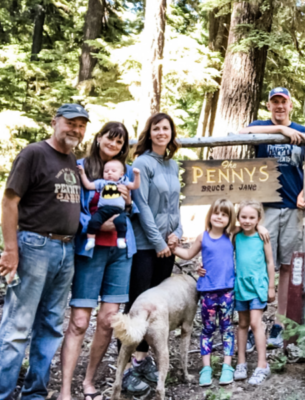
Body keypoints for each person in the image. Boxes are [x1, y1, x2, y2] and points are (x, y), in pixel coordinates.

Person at [0, 104, 88, 400]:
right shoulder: (34, 153)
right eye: (71, 123)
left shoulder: (70, 159)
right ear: (54, 122)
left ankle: (34, 394)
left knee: (51, 326)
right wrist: (10, 250)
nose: (76, 130)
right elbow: (9, 201)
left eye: (81, 126)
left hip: (66, 250)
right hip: (35, 246)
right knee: (18, 325)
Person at [59, 122, 138, 400]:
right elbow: (69, 206)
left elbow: (134, 208)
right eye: (110, 139)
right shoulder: (80, 167)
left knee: (107, 321)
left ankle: (89, 379)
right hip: (90, 250)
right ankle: (65, 388)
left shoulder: (126, 172)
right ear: (99, 138)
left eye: (119, 142)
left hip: (120, 251)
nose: (113, 145)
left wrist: (127, 204)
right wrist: (91, 225)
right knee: (80, 321)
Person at [238, 87, 305, 349]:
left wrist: (304, 192)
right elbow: (240, 133)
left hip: (294, 207)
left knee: (288, 265)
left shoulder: (302, 129)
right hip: (265, 209)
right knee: (261, 266)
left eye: (283, 102)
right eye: (274, 102)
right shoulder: (260, 126)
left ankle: (280, 323)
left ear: (290, 105)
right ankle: (256, 323)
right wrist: (280, 131)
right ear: (269, 105)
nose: (279, 106)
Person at [121, 112, 183, 393]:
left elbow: (175, 206)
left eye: (166, 128)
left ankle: (146, 358)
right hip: (147, 245)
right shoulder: (142, 163)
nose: (161, 132)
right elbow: (141, 205)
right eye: (156, 128)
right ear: (150, 133)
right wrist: (158, 241)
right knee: (140, 300)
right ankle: (132, 360)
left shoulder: (172, 164)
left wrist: (176, 236)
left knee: (158, 304)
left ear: (171, 133)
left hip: (167, 246)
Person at [172, 199, 237, 387]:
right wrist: (168, 245)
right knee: (207, 329)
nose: (219, 217)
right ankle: (206, 368)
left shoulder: (231, 235)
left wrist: (262, 229)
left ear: (229, 218)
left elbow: (251, 225)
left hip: (227, 291)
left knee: (227, 328)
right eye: (217, 212)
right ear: (210, 215)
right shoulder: (203, 237)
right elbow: (187, 254)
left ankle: (227, 366)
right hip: (208, 291)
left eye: (224, 214)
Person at [232, 200, 276, 385]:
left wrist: (271, 286)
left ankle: (262, 364)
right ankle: (241, 362)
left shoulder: (262, 236)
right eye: (243, 217)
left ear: (258, 219)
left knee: (255, 323)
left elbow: (270, 262)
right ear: (238, 218)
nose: (247, 221)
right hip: (240, 286)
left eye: (252, 217)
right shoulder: (235, 236)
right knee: (242, 323)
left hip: (258, 286)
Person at [77, 159, 140, 250]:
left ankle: (121, 239)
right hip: (103, 209)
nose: (109, 173)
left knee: (121, 222)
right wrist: (82, 174)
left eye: (113, 171)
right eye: (106, 171)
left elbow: (135, 186)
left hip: (118, 210)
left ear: (121, 174)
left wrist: (137, 175)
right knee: (94, 221)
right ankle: (91, 240)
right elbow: (88, 185)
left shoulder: (123, 182)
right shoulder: (102, 183)